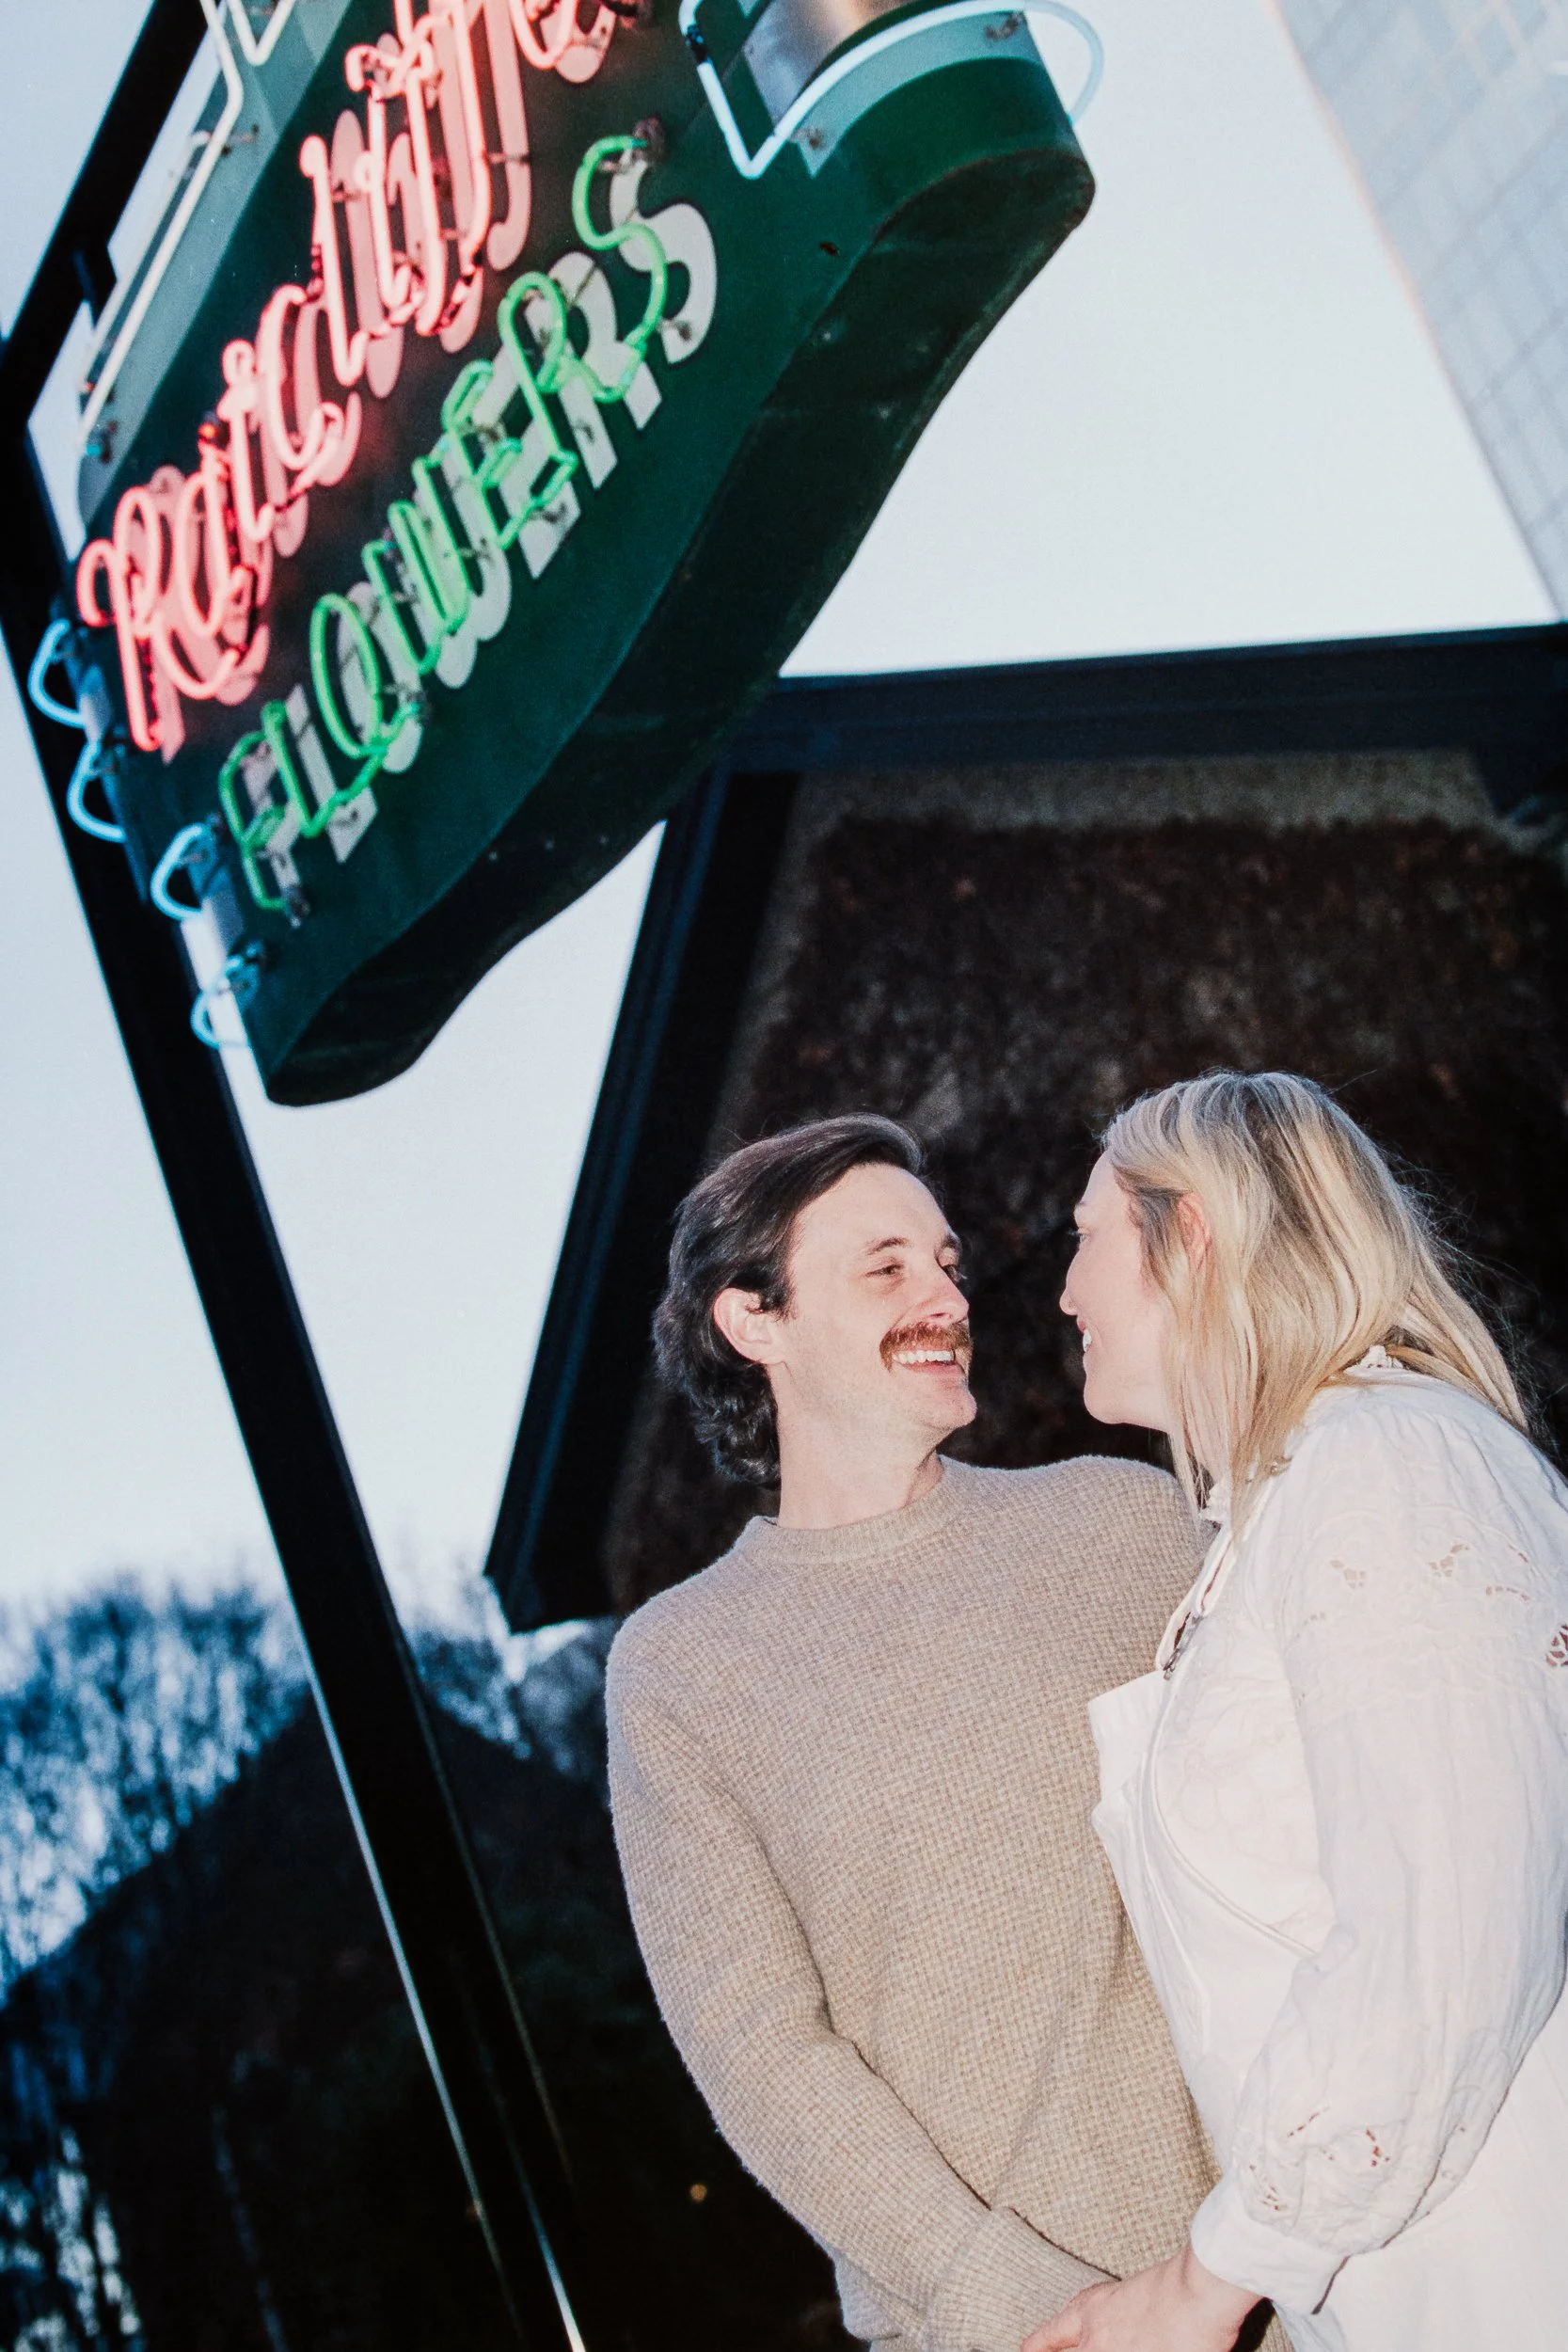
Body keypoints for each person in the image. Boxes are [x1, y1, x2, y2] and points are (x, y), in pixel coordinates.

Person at [605, 1114, 1231, 2352]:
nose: (943, 1296)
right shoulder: (681, 1668)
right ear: (755, 1320)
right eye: (882, 1267)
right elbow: (759, 2048)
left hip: (1291, 2282)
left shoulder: (1128, 1524)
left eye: (942, 1263)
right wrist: (1007, 2295)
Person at [1040, 1071, 1568, 2352]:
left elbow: (1440, 1933)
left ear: (1191, 1238)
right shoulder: (1284, 1507)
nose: (1062, 1292)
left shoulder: (1390, 1464)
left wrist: (1207, 2278)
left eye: (1085, 1238)